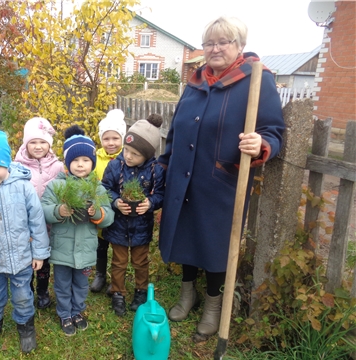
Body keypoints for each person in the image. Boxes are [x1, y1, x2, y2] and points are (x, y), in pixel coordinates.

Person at [157, 16, 285, 341]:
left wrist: (262, 143)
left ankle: (213, 304)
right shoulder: (195, 82)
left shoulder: (256, 79)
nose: (215, 48)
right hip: (183, 177)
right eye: (209, 42)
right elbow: (176, 131)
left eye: (223, 42)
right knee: (186, 235)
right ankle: (188, 294)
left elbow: (273, 130)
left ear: (239, 46)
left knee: (215, 243)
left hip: (222, 181)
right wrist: (164, 165)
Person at [0, 127, 50, 353]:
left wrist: (40, 253)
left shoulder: (23, 186)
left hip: (23, 258)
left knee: (23, 296)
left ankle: (26, 327)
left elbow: (36, 220)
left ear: (6, 162)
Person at [41, 125, 114, 336]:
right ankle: (65, 313)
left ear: (92, 163)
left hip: (86, 249)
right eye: (75, 160)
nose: (80, 165)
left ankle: (77, 311)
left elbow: (108, 217)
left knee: (82, 284)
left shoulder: (98, 188)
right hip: (62, 249)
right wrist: (59, 210)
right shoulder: (57, 186)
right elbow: (43, 209)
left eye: (85, 160)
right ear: (67, 163)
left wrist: (96, 213)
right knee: (63, 284)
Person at [102, 115, 165, 316]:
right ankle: (117, 291)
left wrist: (150, 203)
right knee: (119, 261)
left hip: (141, 226)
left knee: (140, 261)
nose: (128, 156)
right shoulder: (115, 166)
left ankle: (140, 291)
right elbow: (104, 188)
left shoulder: (156, 171)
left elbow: (161, 194)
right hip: (119, 225)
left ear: (147, 155)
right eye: (126, 150)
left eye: (135, 154)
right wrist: (115, 202)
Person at [14, 117, 64, 309]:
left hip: (50, 223)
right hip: (25, 225)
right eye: (33, 142)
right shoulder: (16, 167)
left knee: (44, 261)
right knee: (28, 261)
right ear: (26, 143)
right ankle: (28, 290)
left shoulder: (58, 166)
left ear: (49, 144)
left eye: (42, 142)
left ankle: (42, 291)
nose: (37, 146)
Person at [90, 109, 127, 293]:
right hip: (101, 210)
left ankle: (116, 278)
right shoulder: (95, 159)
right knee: (101, 245)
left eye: (115, 138)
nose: (110, 143)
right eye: (106, 139)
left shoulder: (127, 158)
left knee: (118, 248)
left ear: (122, 139)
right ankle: (100, 274)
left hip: (119, 210)